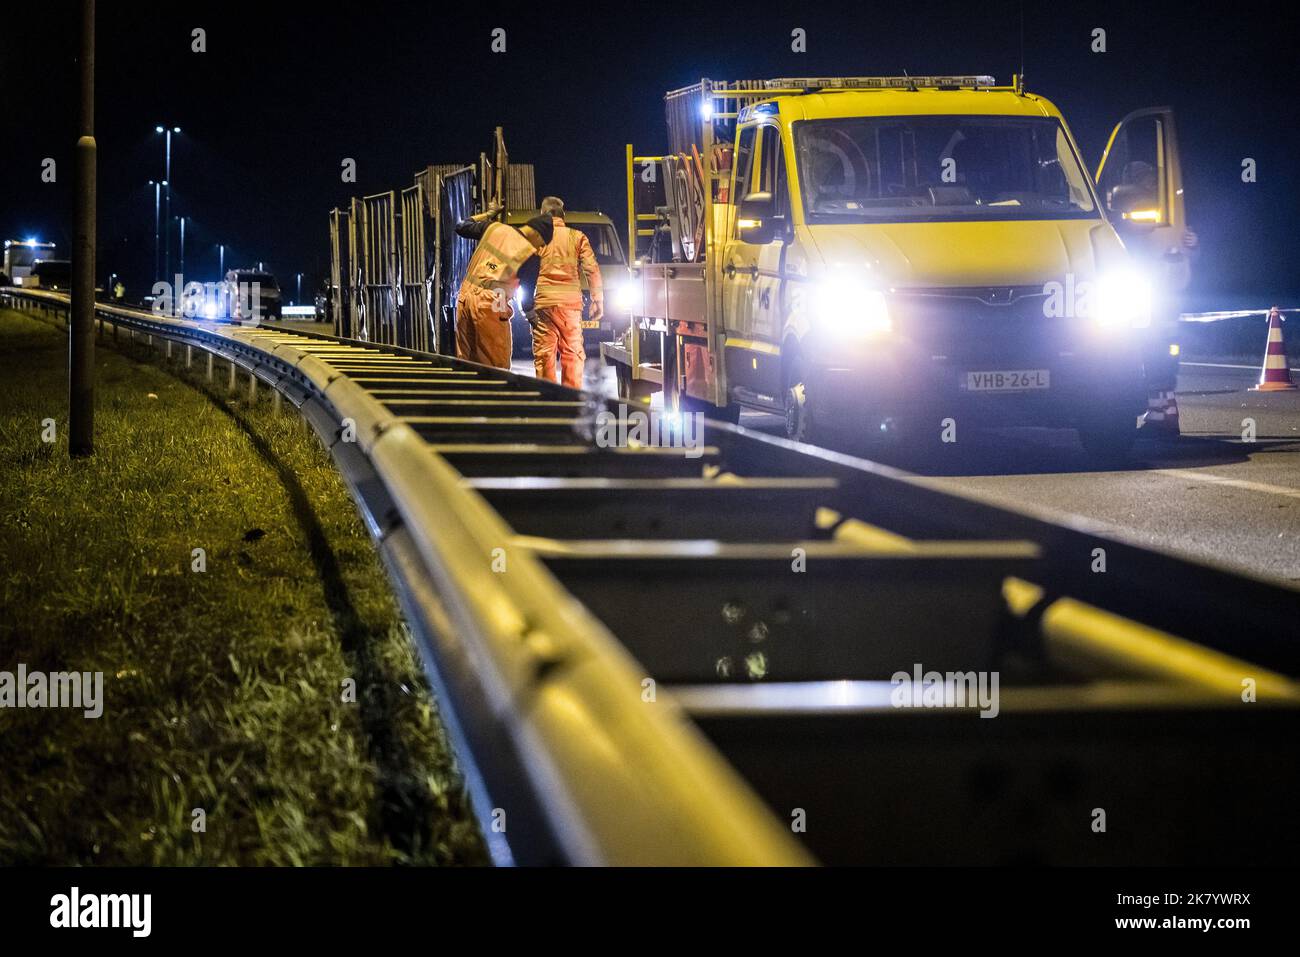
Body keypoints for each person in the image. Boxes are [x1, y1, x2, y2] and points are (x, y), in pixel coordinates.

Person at [453, 202, 553, 368]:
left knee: (467, 366)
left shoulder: (495, 228)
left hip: (464, 298)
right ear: (538, 235)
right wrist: (536, 324)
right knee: (496, 368)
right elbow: (527, 301)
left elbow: (461, 225)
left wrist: (489, 213)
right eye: (543, 244)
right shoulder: (530, 254)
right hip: (493, 303)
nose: (541, 248)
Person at [528, 196, 603, 389]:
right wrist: (598, 300)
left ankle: (547, 403)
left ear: (543, 215)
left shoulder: (538, 237)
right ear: (563, 215)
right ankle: (571, 400)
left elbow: (525, 268)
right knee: (572, 354)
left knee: (545, 355)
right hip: (570, 307)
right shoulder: (577, 237)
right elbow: (591, 269)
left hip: (544, 306)